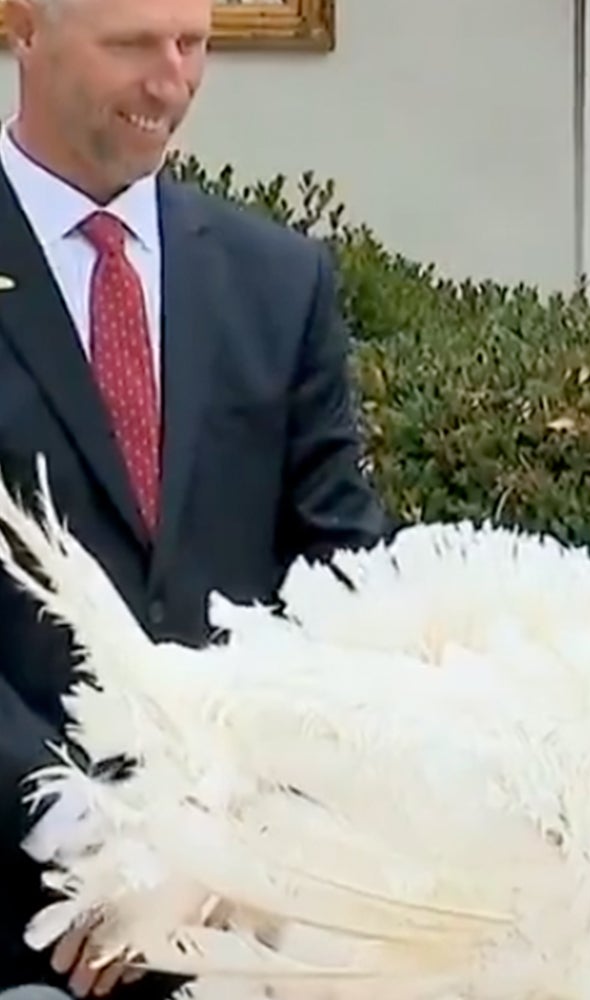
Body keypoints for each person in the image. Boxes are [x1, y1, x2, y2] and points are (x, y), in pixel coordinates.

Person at [0, 0, 389, 995]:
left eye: (193, 43)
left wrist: (241, 851)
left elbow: (346, 585)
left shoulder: (279, 282)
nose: (170, 79)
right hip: (24, 904)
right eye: (132, 43)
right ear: (24, 28)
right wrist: (98, 842)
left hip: (250, 911)